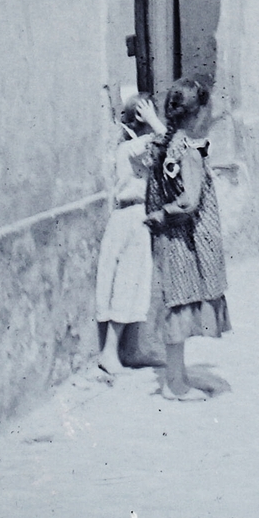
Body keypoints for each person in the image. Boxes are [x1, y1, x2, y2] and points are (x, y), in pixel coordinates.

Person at [144, 76, 230, 400]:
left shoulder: (162, 145)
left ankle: (176, 375)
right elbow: (190, 201)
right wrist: (164, 214)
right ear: (198, 114)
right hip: (185, 239)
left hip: (168, 239)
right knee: (180, 306)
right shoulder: (187, 152)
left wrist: (158, 215)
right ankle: (175, 385)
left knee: (175, 304)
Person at [95, 91, 165, 380]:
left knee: (136, 284)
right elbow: (170, 141)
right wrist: (153, 119)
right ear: (142, 117)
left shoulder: (135, 147)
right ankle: (109, 353)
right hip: (131, 218)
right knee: (126, 283)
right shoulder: (132, 147)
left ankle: (131, 350)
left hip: (135, 218)